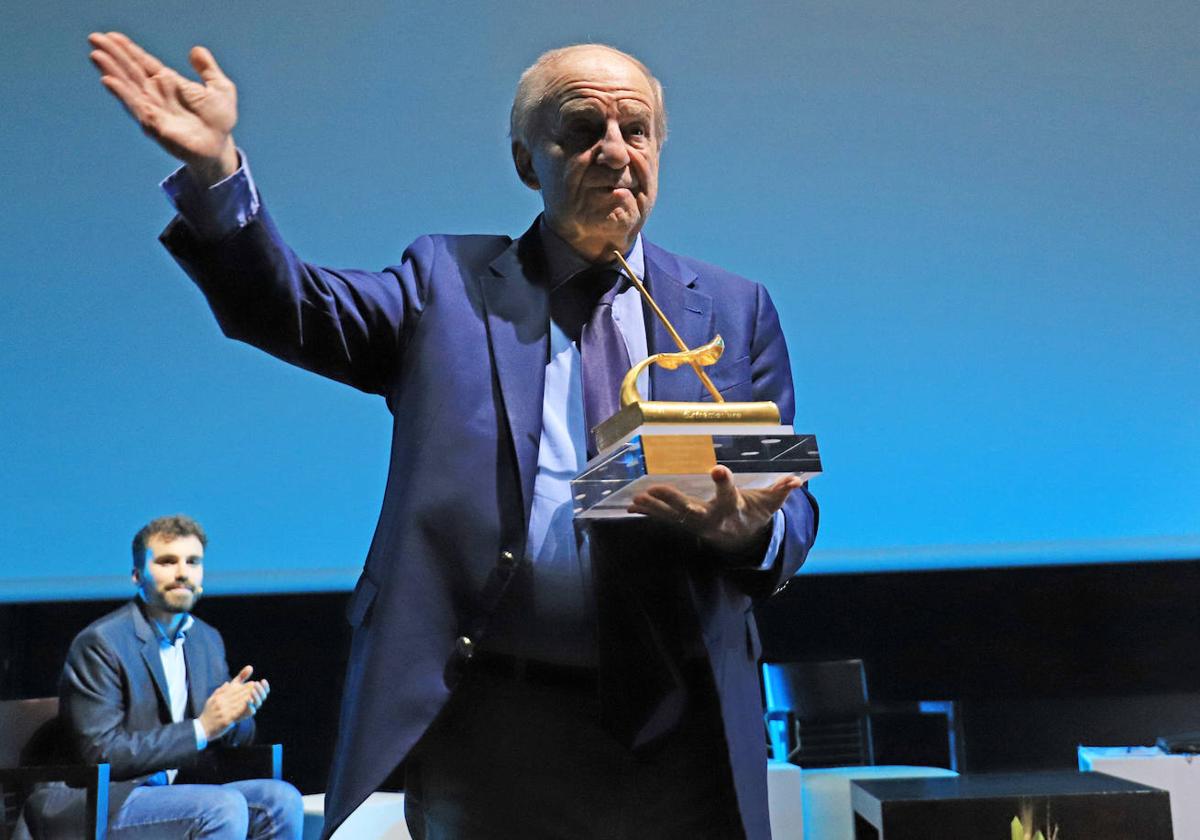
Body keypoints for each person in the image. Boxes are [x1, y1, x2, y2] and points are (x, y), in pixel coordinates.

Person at [87, 33, 819, 840]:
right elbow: (291, 307)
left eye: (635, 129)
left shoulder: (731, 308)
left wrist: (749, 533)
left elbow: (785, 499)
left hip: (679, 731)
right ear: (526, 160)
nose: (615, 151)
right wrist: (215, 173)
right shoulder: (447, 287)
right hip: (498, 726)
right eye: (583, 129)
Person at [22, 515, 303, 839]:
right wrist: (202, 728)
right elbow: (102, 753)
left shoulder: (205, 640)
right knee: (222, 807)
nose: (182, 572)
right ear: (137, 575)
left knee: (281, 801)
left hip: (173, 792)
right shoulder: (101, 643)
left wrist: (236, 718)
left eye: (193, 562)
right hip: (104, 799)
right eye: (168, 562)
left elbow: (229, 736)